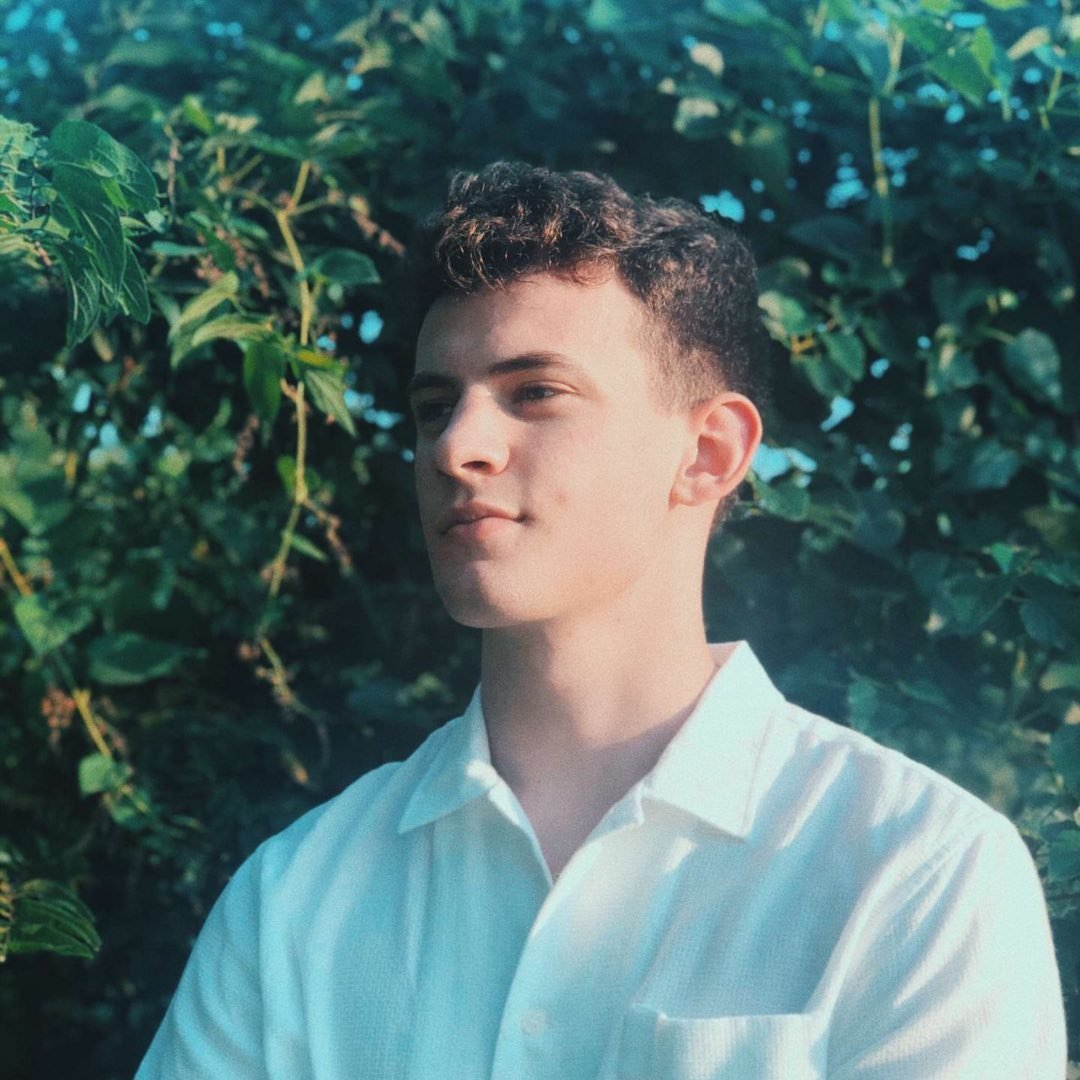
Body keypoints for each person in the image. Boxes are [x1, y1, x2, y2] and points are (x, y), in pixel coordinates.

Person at [137, 163, 1066, 1079]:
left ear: (708, 453)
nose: (456, 446)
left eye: (536, 392)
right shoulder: (294, 896)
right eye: (434, 406)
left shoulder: (913, 872)